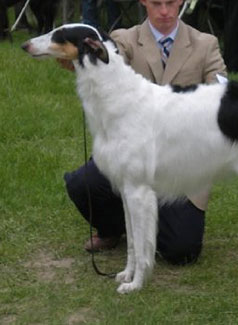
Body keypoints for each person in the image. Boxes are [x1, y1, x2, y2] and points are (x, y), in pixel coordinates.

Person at [63, 0, 227, 265]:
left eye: (172, 3)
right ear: (143, 2)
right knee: (83, 185)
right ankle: (114, 227)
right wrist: (82, 63)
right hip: (129, 153)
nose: (164, 11)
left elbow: (221, 96)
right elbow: (107, 69)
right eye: (156, 3)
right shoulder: (124, 40)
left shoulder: (205, 43)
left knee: (181, 251)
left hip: (180, 165)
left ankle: (150, 223)